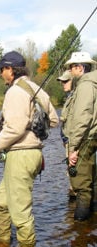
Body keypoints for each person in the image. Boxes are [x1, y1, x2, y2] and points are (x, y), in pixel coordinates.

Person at [0, 51, 59, 247]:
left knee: (20, 215)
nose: (1, 73)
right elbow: (53, 120)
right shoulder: (37, 89)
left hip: (21, 156)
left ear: (11, 69)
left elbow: (14, 128)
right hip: (31, 156)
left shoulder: (15, 91)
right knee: (0, 205)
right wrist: (34, 131)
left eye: (2, 69)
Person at [65, 52, 97, 221]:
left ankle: (80, 229)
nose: (70, 71)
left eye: (72, 67)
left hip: (85, 138)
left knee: (81, 185)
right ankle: (91, 226)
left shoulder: (85, 86)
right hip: (92, 137)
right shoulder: (93, 83)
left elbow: (83, 117)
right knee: (93, 181)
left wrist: (73, 147)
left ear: (80, 67)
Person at [57, 70, 77, 200]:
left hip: (74, 143)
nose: (63, 84)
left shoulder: (77, 97)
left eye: (66, 81)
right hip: (68, 142)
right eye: (62, 81)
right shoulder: (70, 97)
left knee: (76, 178)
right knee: (71, 178)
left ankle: (80, 212)